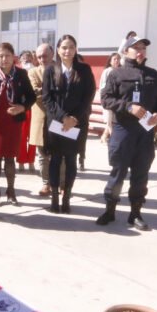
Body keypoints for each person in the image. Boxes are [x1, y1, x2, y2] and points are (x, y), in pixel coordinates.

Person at [98, 36, 157, 230]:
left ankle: (135, 213)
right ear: (125, 51)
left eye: (143, 48)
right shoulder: (116, 74)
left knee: (141, 173)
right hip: (123, 130)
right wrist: (129, 107)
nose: (140, 51)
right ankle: (110, 210)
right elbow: (106, 99)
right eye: (136, 47)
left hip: (145, 133)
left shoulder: (155, 75)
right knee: (118, 172)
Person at [42, 36, 96, 213]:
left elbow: (88, 96)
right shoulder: (51, 69)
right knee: (55, 160)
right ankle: (55, 199)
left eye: (71, 47)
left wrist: (74, 119)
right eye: (64, 47)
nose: (68, 51)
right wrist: (63, 117)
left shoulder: (84, 70)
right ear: (58, 50)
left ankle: (67, 198)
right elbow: (47, 98)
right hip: (56, 124)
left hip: (76, 124)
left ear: (76, 49)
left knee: (71, 161)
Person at [0, 42, 36, 206]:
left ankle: (11, 190)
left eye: (8, 56)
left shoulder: (20, 74)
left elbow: (31, 96)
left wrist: (22, 107)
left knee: (10, 158)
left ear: (14, 58)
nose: (4, 59)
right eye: (1, 56)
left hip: (13, 123)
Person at [28, 44, 54, 197]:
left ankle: (62, 184)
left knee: (60, 154)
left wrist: (43, 89)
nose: (42, 59)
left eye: (45, 56)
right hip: (40, 119)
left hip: (58, 118)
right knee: (42, 155)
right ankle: (46, 184)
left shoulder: (60, 71)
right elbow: (34, 92)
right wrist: (53, 90)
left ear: (52, 55)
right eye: (39, 57)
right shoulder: (32, 72)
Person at [99, 52, 121, 144]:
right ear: (110, 61)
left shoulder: (121, 71)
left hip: (118, 100)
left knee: (112, 120)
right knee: (109, 120)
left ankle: (104, 137)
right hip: (108, 99)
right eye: (114, 59)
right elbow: (103, 85)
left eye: (118, 59)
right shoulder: (107, 71)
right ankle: (113, 139)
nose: (116, 61)